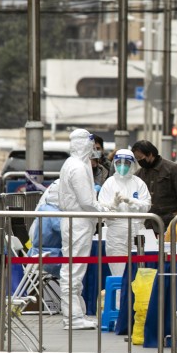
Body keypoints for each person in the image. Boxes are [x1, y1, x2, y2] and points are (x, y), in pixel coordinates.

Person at [56, 128, 105, 330]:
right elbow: (86, 200)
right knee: (74, 269)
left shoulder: (73, 164)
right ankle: (73, 317)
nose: (93, 148)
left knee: (74, 268)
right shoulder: (77, 167)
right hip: (79, 221)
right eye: (90, 143)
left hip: (76, 220)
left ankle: (76, 313)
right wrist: (103, 211)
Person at [98, 149, 152, 278]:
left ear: (132, 164)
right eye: (119, 162)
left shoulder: (139, 183)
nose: (123, 166)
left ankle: (136, 299)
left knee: (139, 276)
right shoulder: (109, 184)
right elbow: (101, 209)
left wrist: (132, 201)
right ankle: (118, 299)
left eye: (127, 163)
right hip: (117, 234)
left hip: (138, 232)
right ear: (115, 163)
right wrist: (113, 205)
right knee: (119, 275)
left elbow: (147, 206)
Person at [132, 139, 177, 234]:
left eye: (140, 157)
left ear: (150, 154)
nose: (139, 161)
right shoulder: (139, 174)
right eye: (137, 159)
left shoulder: (172, 169)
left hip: (169, 222)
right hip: (147, 224)